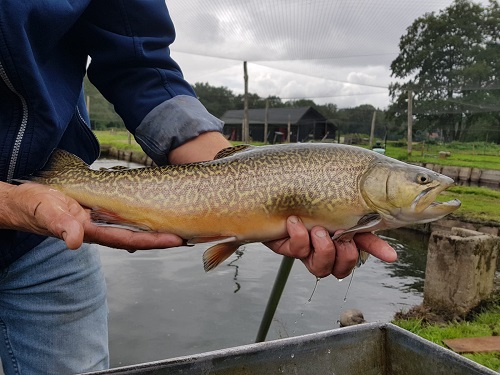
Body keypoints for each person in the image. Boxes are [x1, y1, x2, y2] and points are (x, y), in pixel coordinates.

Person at [0, 1, 397, 374]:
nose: (432, 187)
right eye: (423, 181)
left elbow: (138, 62)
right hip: (47, 207)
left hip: (49, 229)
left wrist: (232, 170)